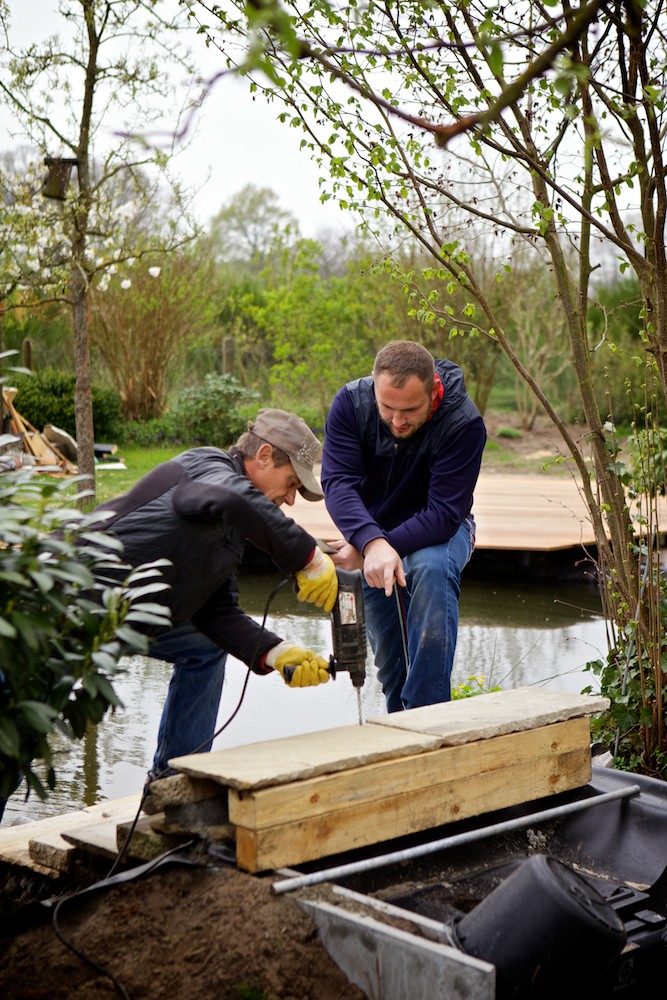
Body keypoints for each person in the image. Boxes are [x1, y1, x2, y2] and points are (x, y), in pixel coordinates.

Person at [88, 408, 339, 792]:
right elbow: (231, 497)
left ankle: (172, 787)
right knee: (19, 738)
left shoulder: (229, 527)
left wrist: (275, 651)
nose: (290, 500)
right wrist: (306, 557)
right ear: (265, 455)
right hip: (73, 601)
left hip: (124, 615)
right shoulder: (207, 468)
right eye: (290, 484)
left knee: (205, 648)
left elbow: (216, 612)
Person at [321, 341, 486, 713]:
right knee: (392, 666)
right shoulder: (350, 404)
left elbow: (444, 512)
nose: (397, 421)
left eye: (410, 410)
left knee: (429, 567)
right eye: (388, 408)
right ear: (375, 389)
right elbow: (337, 483)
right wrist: (369, 539)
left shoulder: (464, 422)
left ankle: (431, 715)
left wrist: (375, 545)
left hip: (441, 529)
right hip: (373, 532)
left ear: (433, 391)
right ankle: (401, 731)